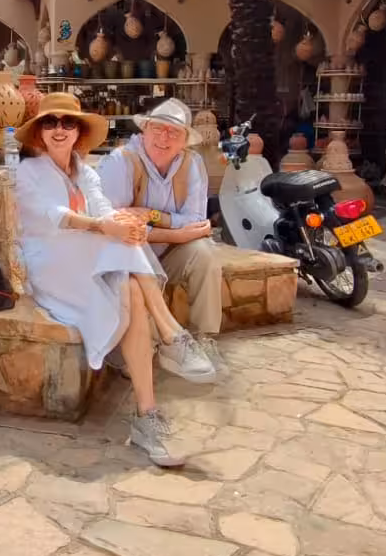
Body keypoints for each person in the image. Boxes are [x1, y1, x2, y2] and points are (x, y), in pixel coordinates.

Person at [14, 92, 212, 467]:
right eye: (50, 123)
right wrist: (106, 227)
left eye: (68, 123)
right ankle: (172, 335)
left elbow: (105, 209)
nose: (59, 130)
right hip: (50, 264)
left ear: (79, 131)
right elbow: (55, 216)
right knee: (118, 246)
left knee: (131, 286)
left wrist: (126, 224)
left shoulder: (86, 172)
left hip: (87, 257)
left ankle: (147, 414)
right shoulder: (28, 172)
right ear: (39, 132)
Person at [98, 99, 227, 355]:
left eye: (174, 132)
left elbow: (195, 220)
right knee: (135, 253)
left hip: (169, 254)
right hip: (128, 254)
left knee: (204, 254)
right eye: (158, 128)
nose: (164, 137)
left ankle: (205, 338)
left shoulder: (192, 163)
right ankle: (148, 349)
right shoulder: (121, 161)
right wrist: (177, 234)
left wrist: (152, 215)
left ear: (184, 141)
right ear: (145, 129)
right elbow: (116, 226)